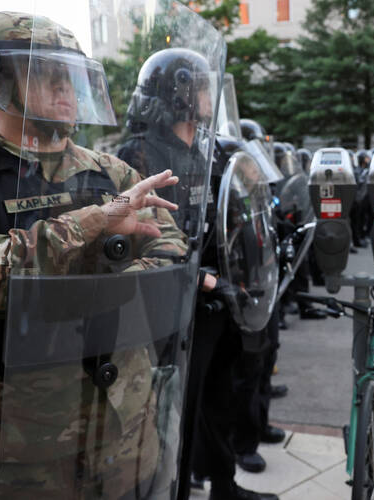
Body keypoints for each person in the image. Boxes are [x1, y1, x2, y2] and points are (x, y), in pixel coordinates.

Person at [0, 11, 192, 499]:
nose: (66, 89)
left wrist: (91, 274)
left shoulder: (111, 172)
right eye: (46, 74)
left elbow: (170, 247)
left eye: (71, 76)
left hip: (128, 438)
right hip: (23, 456)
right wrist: (98, 225)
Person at [117, 49, 279, 500]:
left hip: (219, 295)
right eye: (201, 86)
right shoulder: (139, 153)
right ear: (179, 91)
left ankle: (223, 484)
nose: (209, 96)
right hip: (170, 300)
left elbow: (234, 217)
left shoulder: (211, 150)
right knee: (177, 409)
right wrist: (204, 277)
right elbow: (144, 237)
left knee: (221, 395)